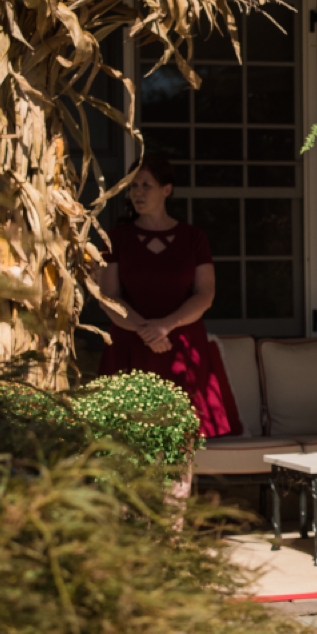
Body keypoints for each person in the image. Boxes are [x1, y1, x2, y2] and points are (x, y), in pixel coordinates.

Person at [98, 159, 243, 439]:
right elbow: (108, 296)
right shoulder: (115, 238)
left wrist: (165, 326)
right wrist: (147, 331)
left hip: (181, 345)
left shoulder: (193, 238)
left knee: (183, 435)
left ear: (167, 190)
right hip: (130, 345)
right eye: (133, 187)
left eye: (146, 186)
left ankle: (181, 486)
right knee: (129, 437)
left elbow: (205, 295)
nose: (137, 193)